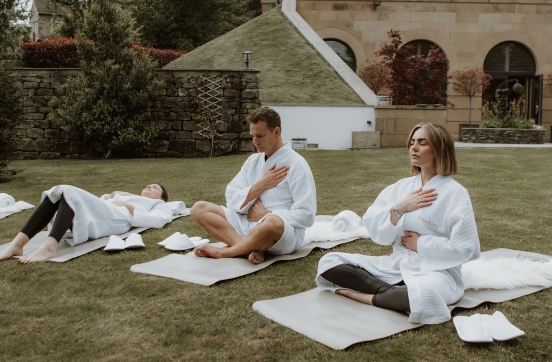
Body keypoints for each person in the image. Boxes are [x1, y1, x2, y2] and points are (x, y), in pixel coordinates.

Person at [315, 123, 480, 324]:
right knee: (329, 261)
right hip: (397, 265)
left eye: (422, 143)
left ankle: (369, 296)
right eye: (412, 142)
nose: (414, 147)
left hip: (437, 272)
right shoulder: (402, 188)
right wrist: (400, 207)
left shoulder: (455, 193)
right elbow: (378, 233)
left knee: (423, 294)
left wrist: (421, 244)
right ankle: (393, 294)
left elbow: (467, 248)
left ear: (439, 148)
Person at [191, 107, 317, 264]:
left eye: (260, 136)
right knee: (199, 208)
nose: (255, 142)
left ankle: (226, 252)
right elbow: (231, 199)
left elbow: (307, 216)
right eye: (252, 136)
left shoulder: (297, 164)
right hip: (246, 222)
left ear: (276, 132)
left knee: (272, 222)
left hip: (280, 232)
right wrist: (260, 185)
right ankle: (247, 250)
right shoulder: (253, 161)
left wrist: (267, 214)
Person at [0, 184, 172, 263]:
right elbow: (96, 201)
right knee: (56, 194)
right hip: (104, 210)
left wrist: (128, 205)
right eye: (148, 185)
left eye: (155, 187)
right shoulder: (128, 195)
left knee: (67, 191)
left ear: (162, 197)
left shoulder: (157, 204)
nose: (150, 186)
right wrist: (114, 195)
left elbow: (159, 220)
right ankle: (17, 244)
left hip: (118, 217)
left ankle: (49, 247)